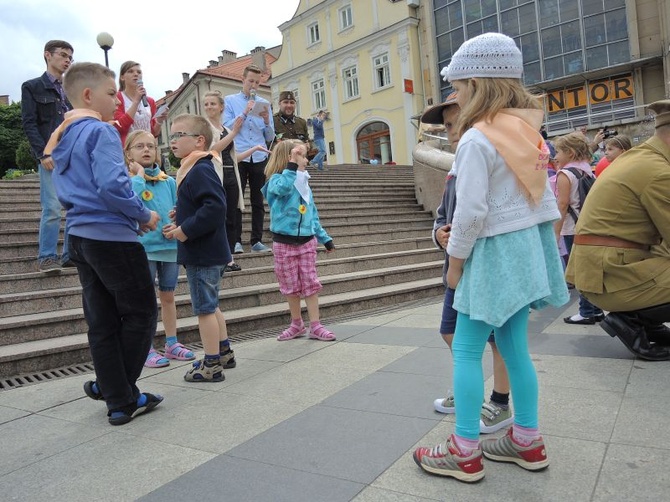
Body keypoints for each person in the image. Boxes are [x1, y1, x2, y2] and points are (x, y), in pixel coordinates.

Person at [412, 32, 569, 482]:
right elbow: (541, 202)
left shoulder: (477, 140)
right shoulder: (527, 133)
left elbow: (472, 212)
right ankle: (526, 439)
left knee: (465, 348)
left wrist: (456, 263)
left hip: (493, 253)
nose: (455, 96)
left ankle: (464, 450)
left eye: (458, 86)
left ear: (478, 82)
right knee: (516, 348)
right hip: (525, 251)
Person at [46, 62, 163, 425]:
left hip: (80, 237)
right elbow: (112, 185)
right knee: (142, 313)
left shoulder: (64, 135)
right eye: (112, 93)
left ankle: (115, 393)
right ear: (87, 95)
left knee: (102, 322)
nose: (118, 101)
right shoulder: (101, 132)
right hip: (109, 237)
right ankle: (119, 393)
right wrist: (143, 215)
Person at [420, 91, 513, 434]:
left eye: (459, 121)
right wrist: (439, 235)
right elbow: (442, 216)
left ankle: (499, 402)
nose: (453, 130)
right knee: (450, 332)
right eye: (447, 126)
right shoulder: (456, 167)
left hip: (483, 268)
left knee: (497, 341)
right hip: (457, 269)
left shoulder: (489, 155)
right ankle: (467, 387)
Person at [566, 100, 670, 362]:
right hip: (611, 277)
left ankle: (645, 321)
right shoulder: (658, 171)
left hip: (601, 270)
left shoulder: (644, 158)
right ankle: (634, 318)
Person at [163, 114, 237, 381]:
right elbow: (201, 203)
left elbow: (215, 208)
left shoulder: (199, 168)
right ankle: (224, 352)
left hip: (203, 253)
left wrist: (184, 230)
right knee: (212, 305)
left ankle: (211, 365)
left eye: (178, 135)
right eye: (171, 136)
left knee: (204, 309)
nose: (172, 141)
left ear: (199, 140)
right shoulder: (196, 167)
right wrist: (181, 212)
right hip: (212, 251)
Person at [124, 130, 196, 368]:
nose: (146, 150)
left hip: (169, 249)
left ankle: (172, 342)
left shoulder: (169, 181)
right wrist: (139, 176)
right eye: (139, 147)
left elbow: (180, 208)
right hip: (144, 250)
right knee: (144, 302)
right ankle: (145, 348)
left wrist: (177, 221)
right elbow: (129, 202)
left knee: (168, 296)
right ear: (128, 154)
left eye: (151, 146)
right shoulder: (129, 180)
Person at [261, 140, 336, 342]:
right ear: (289, 158)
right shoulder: (275, 181)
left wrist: (324, 238)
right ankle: (296, 324)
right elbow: (283, 189)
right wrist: (292, 166)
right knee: (290, 286)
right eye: (301, 156)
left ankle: (316, 325)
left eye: (302, 156)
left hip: (307, 242)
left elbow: (312, 215)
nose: (306, 160)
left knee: (310, 283)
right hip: (284, 244)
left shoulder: (304, 184)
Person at [21, 40, 74, 273]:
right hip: (50, 155)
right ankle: (47, 256)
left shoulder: (71, 90)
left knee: (75, 206)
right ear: (47, 55)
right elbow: (29, 123)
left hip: (73, 154)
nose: (67, 60)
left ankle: (70, 254)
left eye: (70, 57)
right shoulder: (32, 87)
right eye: (63, 55)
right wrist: (43, 153)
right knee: (52, 207)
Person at [553, 134, 605, 325]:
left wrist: (556, 232)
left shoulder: (565, 174)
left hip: (572, 228)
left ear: (570, 153)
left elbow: (563, 204)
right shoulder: (586, 171)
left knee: (579, 271)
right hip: (589, 225)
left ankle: (585, 312)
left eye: (558, 151)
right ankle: (597, 309)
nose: (555, 156)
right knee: (589, 269)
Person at [224, 65, 275, 254]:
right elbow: (227, 127)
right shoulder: (230, 101)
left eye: (257, 82)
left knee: (257, 200)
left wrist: (268, 121)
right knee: (236, 199)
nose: (254, 85)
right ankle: (235, 240)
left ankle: (256, 240)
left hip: (259, 155)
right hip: (238, 155)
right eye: (251, 81)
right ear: (243, 80)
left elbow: (270, 136)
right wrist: (245, 112)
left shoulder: (264, 103)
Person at [113, 61, 168, 147]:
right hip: (127, 149)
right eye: (130, 71)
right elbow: (119, 127)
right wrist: (136, 102)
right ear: (122, 77)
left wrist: (159, 121)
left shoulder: (149, 101)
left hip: (147, 149)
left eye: (139, 72)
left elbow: (153, 133)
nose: (136, 74)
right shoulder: (117, 98)